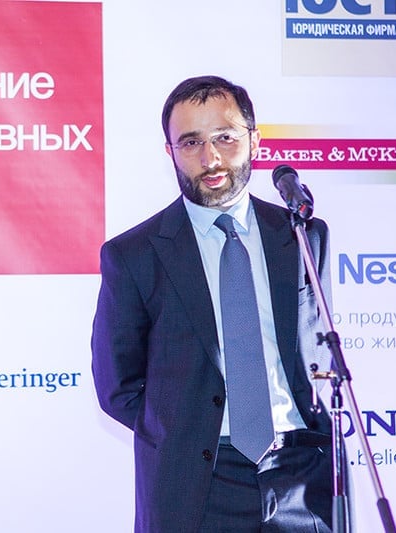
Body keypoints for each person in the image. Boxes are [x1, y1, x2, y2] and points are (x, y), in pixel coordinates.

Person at [91, 75, 335, 532]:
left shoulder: (302, 235)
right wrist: (182, 434)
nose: (211, 158)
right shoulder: (134, 255)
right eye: (191, 142)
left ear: (254, 140)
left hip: (303, 474)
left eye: (225, 137)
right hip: (196, 484)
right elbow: (117, 386)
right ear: (170, 152)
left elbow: (317, 348)